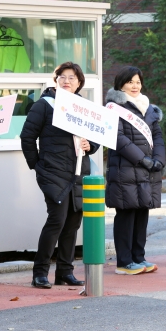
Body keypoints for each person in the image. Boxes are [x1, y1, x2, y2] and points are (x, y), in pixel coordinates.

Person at [21, 62, 99, 289]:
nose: (67, 81)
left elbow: (94, 138)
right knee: (56, 221)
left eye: (72, 77)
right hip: (53, 173)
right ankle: (40, 273)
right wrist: (37, 165)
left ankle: (65, 272)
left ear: (79, 83)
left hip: (78, 173)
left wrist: (89, 145)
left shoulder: (83, 107)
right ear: (55, 81)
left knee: (73, 224)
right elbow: (27, 137)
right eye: (62, 77)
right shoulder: (44, 105)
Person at [105, 66, 165, 275]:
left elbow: (157, 137)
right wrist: (143, 160)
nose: (135, 86)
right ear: (121, 84)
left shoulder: (148, 109)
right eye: (130, 81)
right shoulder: (114, 108)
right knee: (126, 214)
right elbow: (118, 139)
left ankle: (139, 257)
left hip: (146, 171)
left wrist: (158, 160)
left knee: (142, 213)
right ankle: (124, 262)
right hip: (125, 171)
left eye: (138, 82)